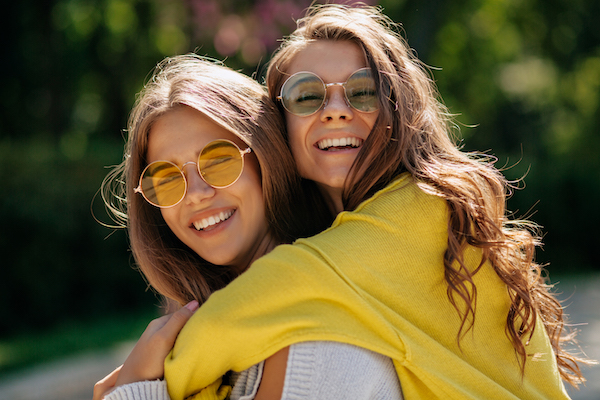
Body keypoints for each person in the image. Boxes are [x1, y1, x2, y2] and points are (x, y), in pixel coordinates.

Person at [160, 4, 591, 400]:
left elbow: (235, 316)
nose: (335, 110)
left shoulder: (423, 206)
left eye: (363, 91)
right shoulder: (342, 238)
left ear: (397, 110)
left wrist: (149, 376)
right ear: (278, 125)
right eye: (307, 96)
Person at [94, 53, 403, 400]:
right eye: (165, 179)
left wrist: (134, 390)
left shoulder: (317, 333)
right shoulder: (200, 346)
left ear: (265, 157)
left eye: (220, 160)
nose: (196, 194)